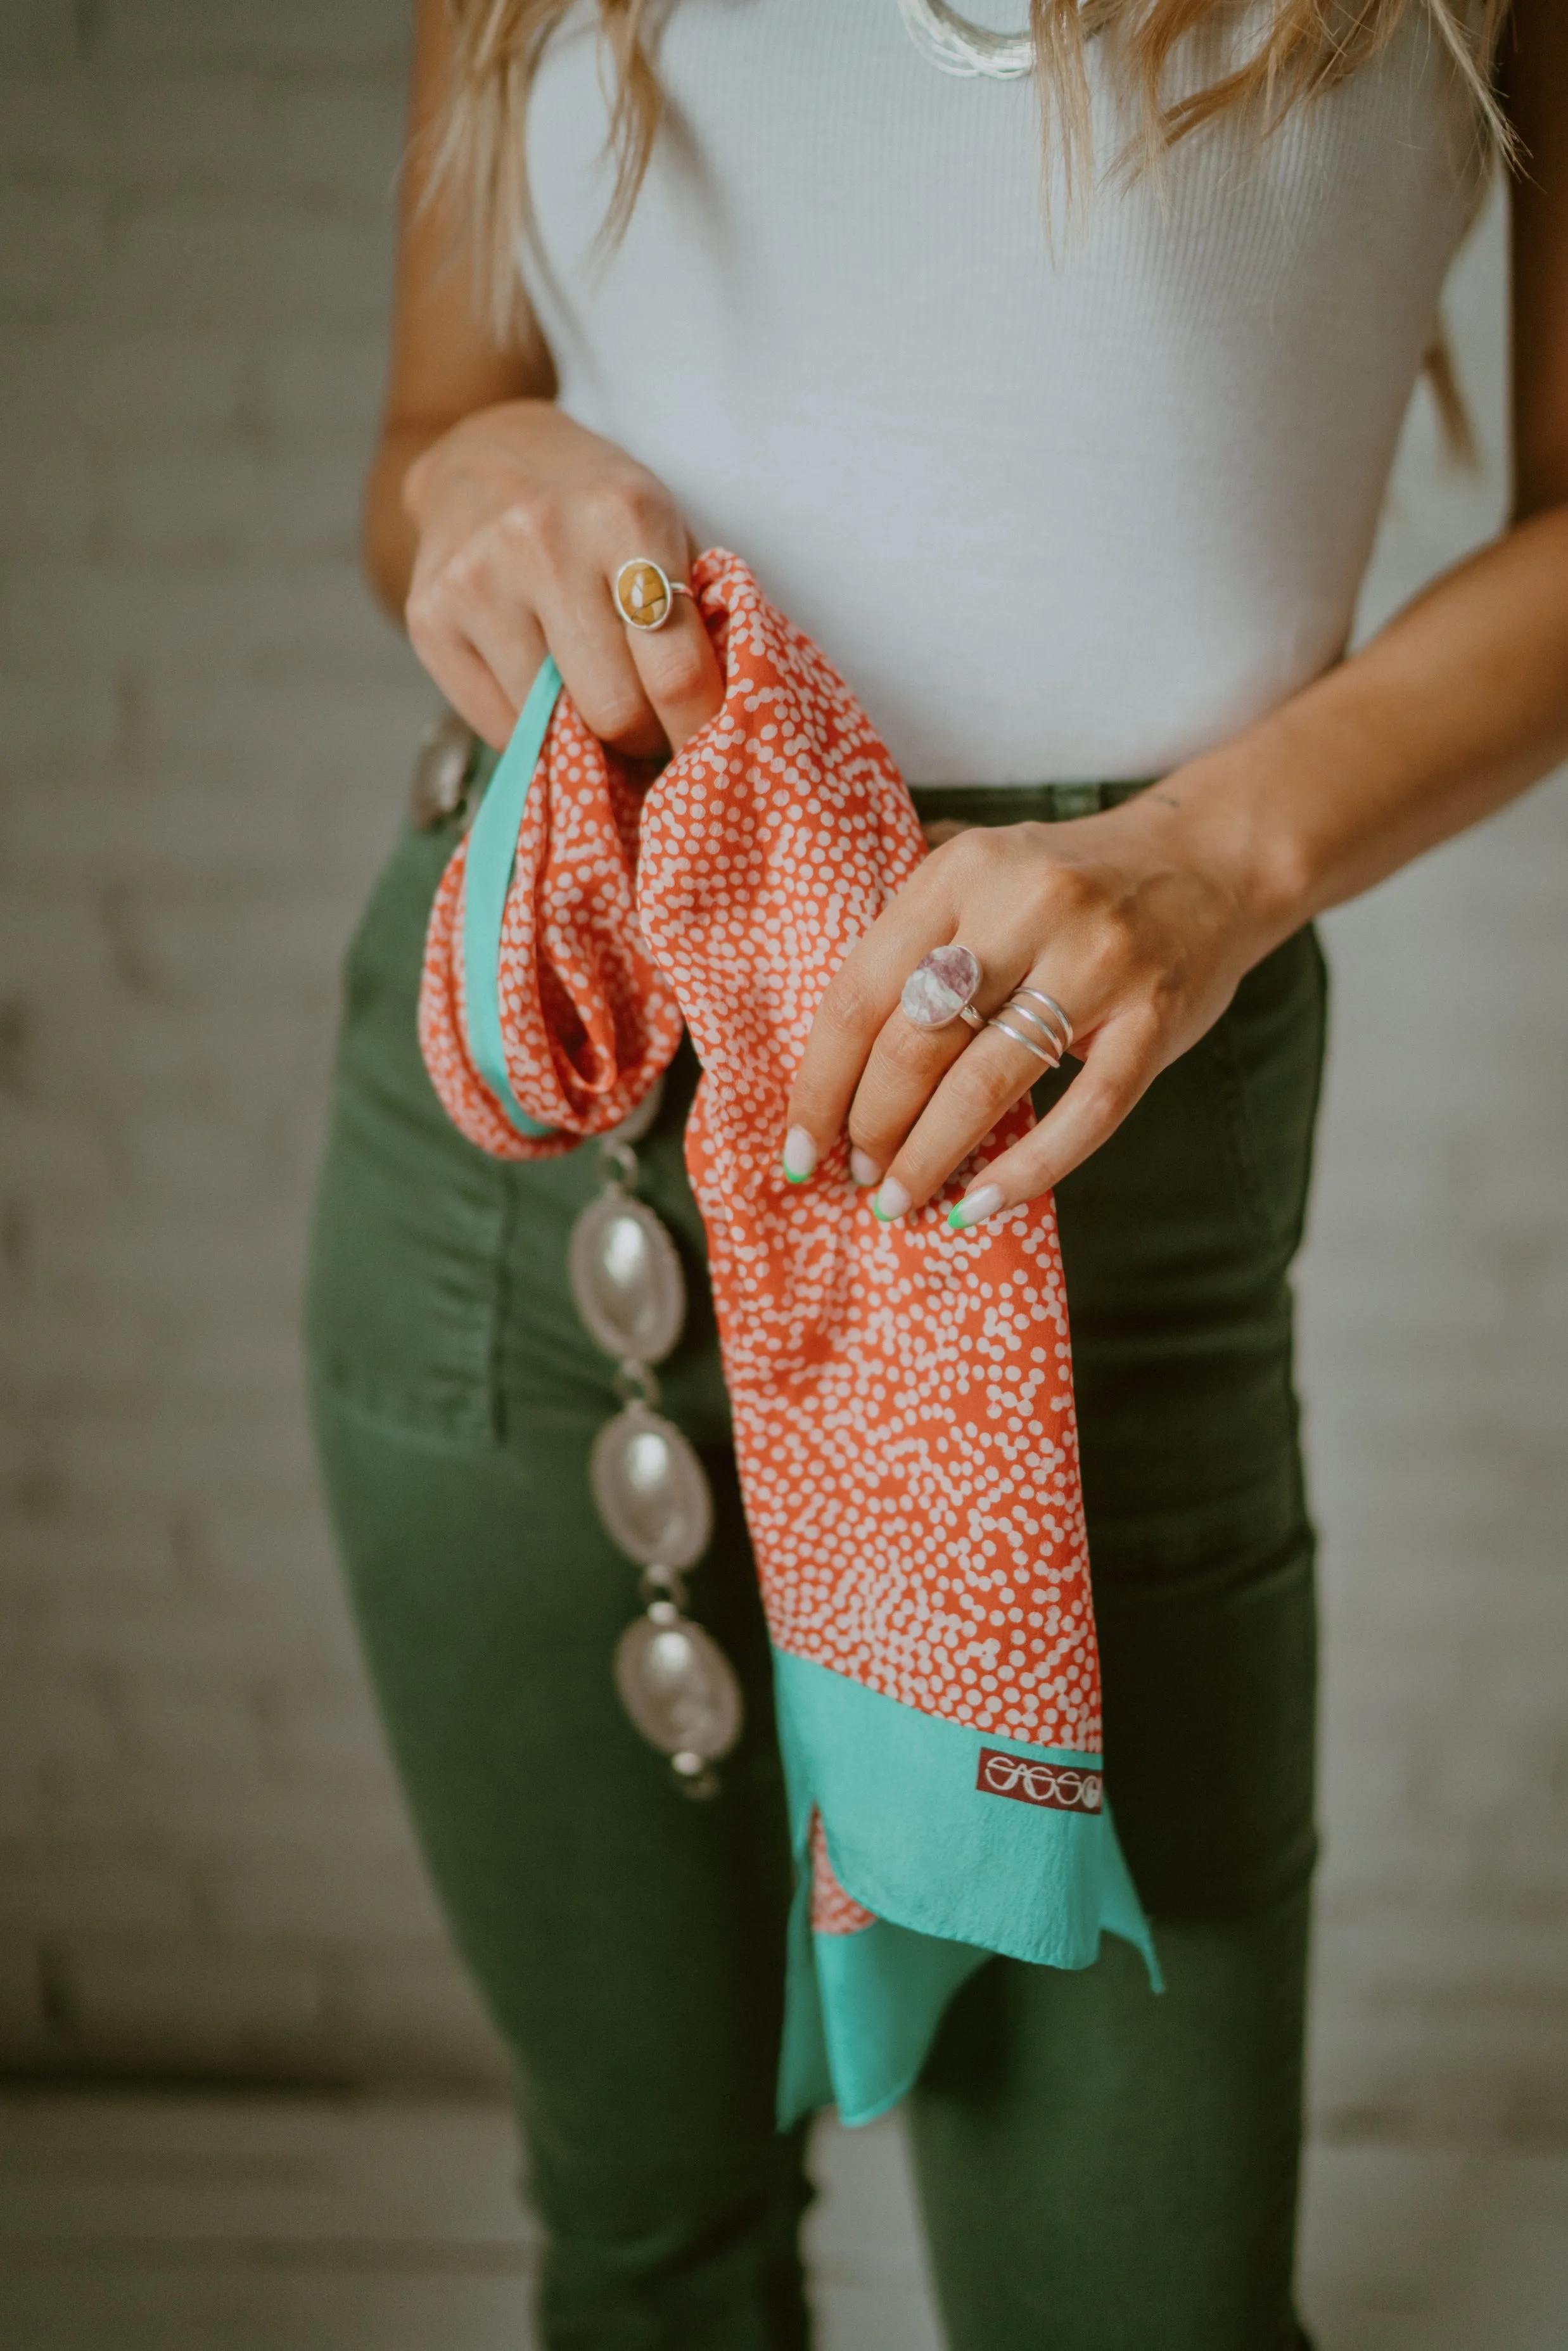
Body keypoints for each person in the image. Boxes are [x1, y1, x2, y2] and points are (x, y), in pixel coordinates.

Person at [305, 4, 1567, 2344]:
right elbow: (421, 433)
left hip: (1091, 1124)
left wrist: (1208, 856)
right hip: (554, 1107)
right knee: (648, 2240)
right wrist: (481, 479)